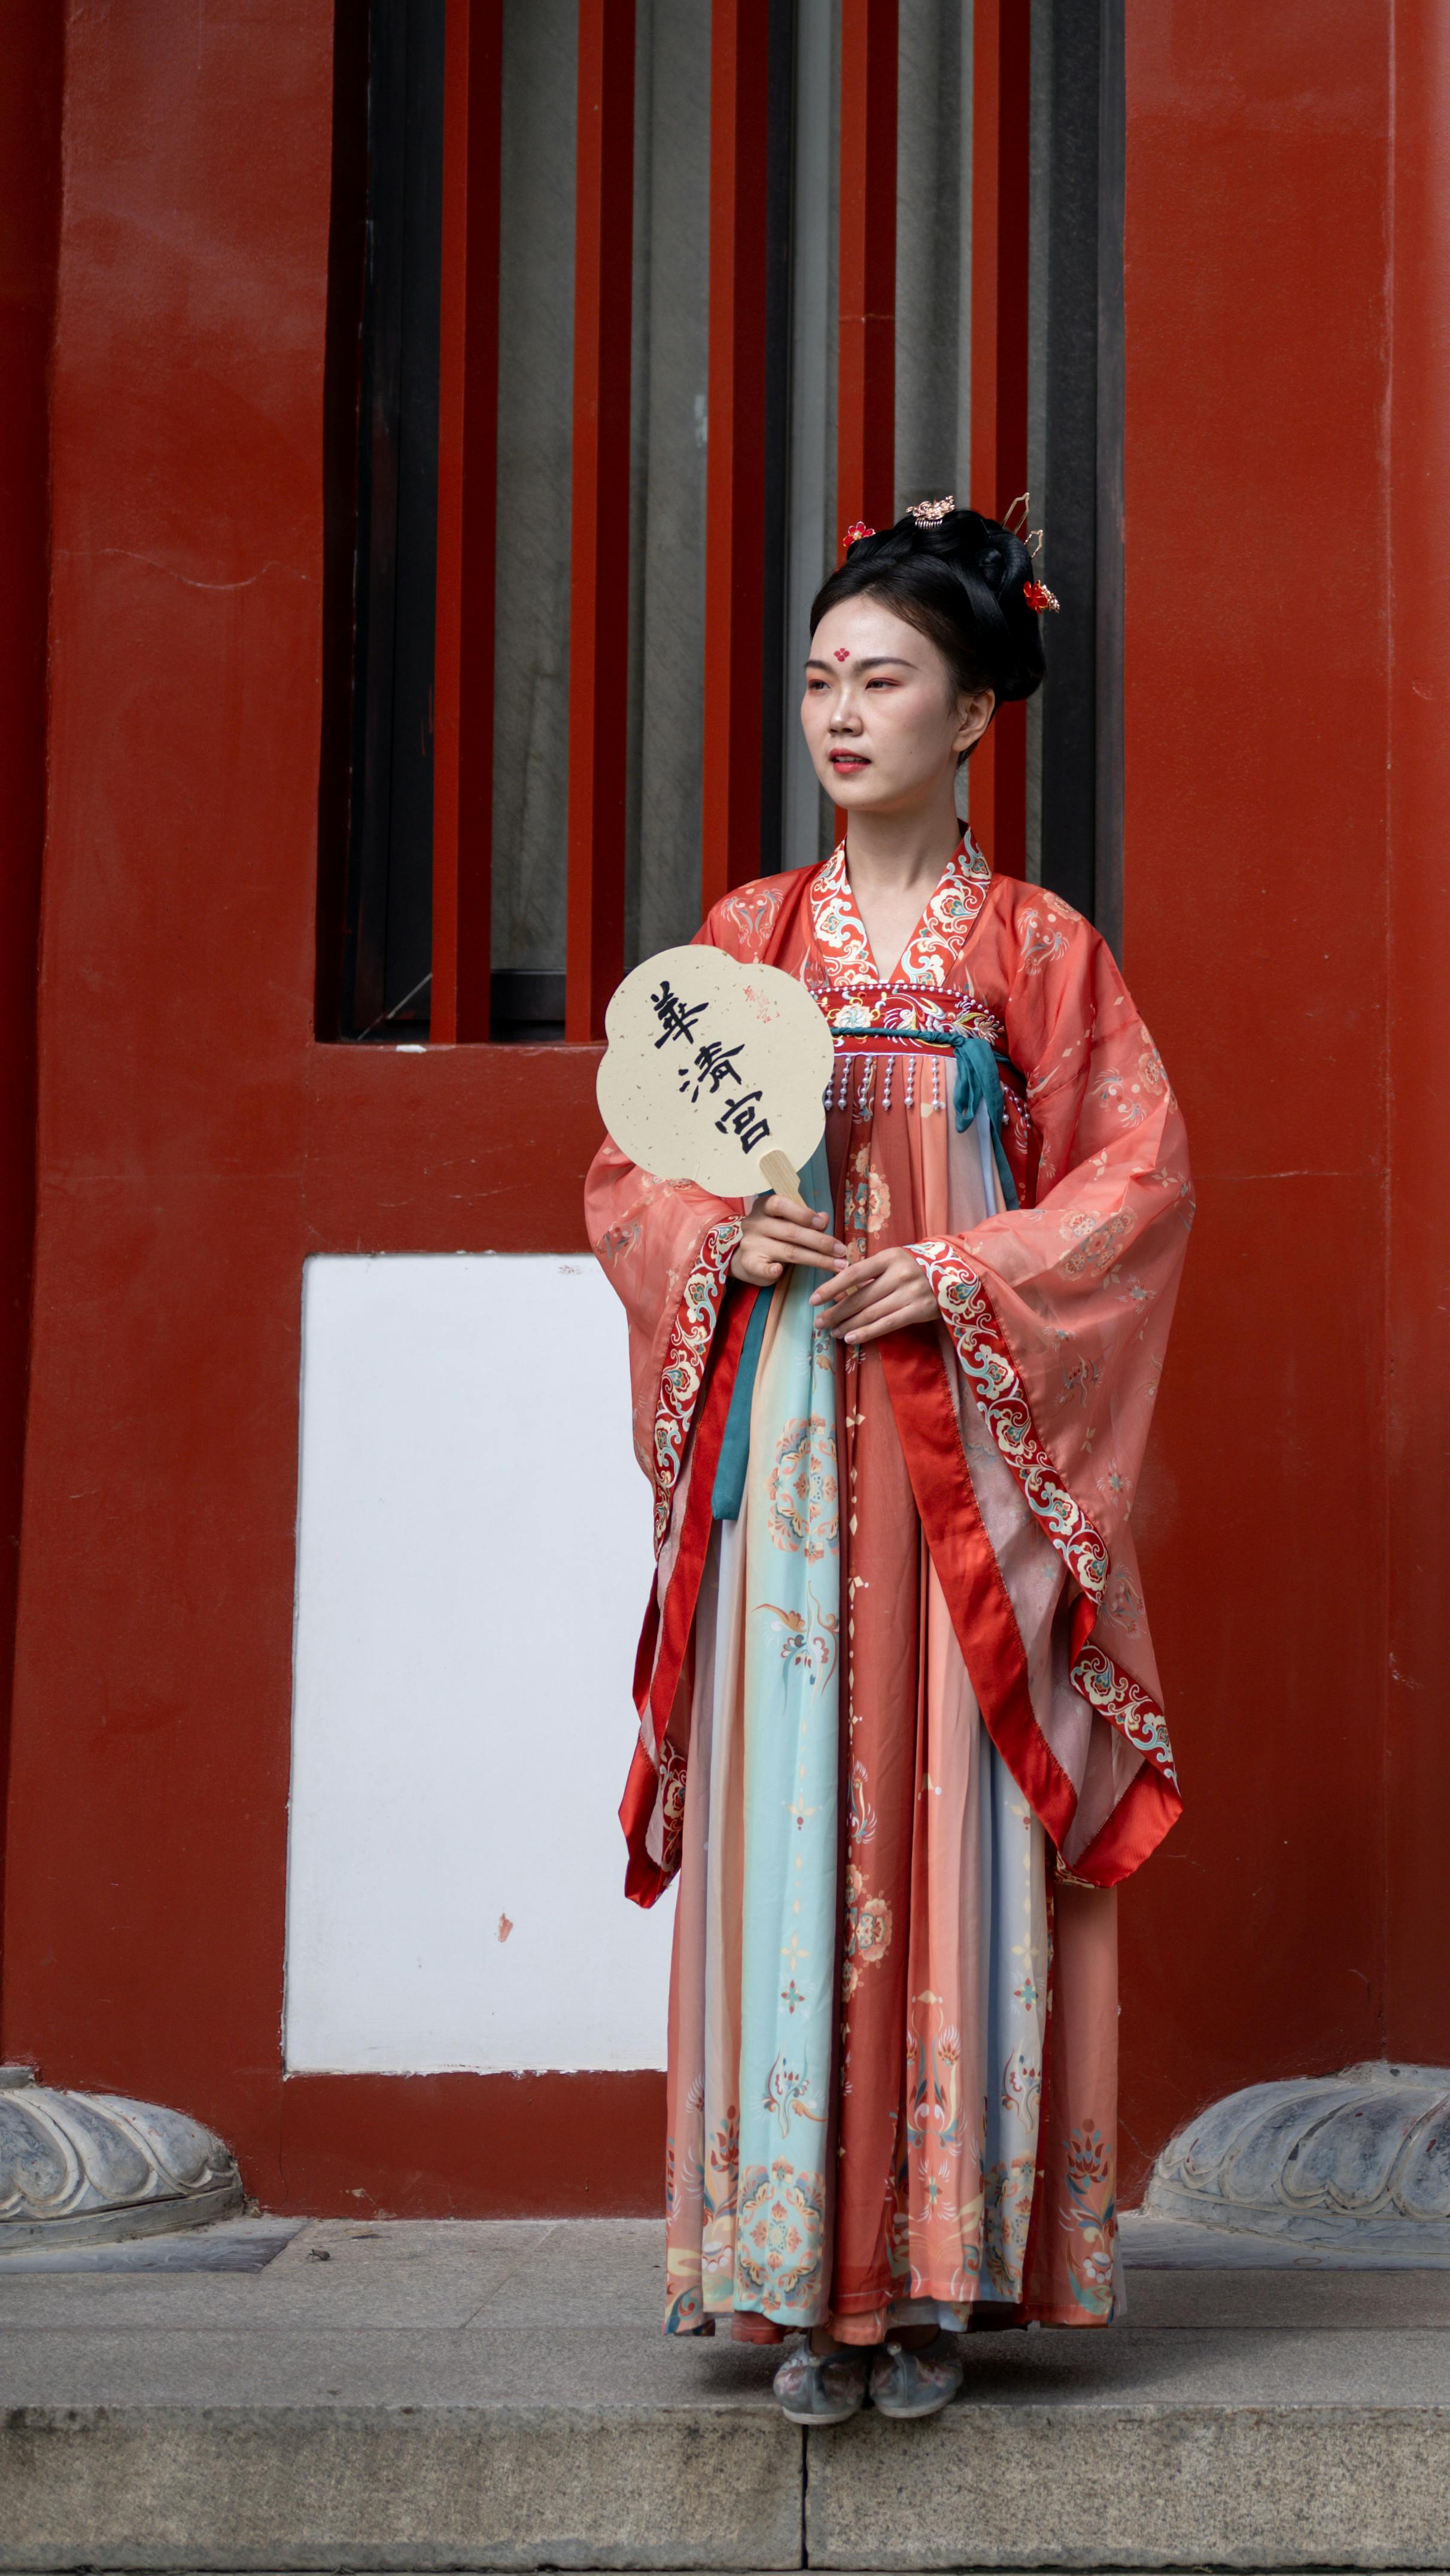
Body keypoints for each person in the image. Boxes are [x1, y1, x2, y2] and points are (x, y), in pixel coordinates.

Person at [585, 501, 1190, 2425]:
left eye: (885, 682)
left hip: (962, 1455)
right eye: (823, 683)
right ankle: (784, 2277)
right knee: (790, 1808)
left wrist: (958, 1267)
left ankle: (939, 2276)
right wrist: (714, 1237)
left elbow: (1138, 1185)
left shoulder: (1041, 948)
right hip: (780, 1423)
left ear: (974, 714)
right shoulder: (746, 937)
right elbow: (630, 1178)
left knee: (956, 1816)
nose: (842, 717)